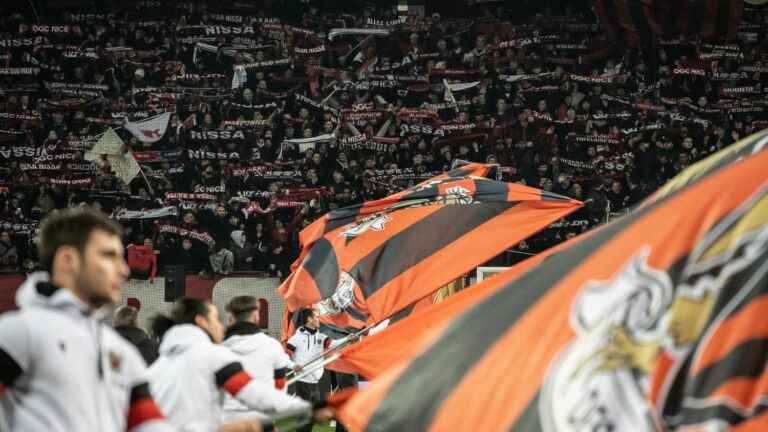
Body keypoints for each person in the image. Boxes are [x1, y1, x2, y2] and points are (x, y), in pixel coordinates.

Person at [0, 208, 171, 431]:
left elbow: (150, 425)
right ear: (67, 260)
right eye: (109, 255)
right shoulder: (18, 333)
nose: (124, 269)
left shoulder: (118, 349)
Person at [147, 297, 330, 432]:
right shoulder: (212, 355)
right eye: (215, 318)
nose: (220, 325)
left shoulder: (157, 367)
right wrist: (308, 408)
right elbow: (252, 393)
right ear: (201, 322)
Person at [221, 296, 295, 422]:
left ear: (230, 318)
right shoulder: (272, 346)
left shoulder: (217, 349)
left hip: (228, 421)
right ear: (256, 316)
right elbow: (280, 386)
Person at [287, 308, 344, 432]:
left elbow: (334, 344)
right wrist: (292, 365)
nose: (319, 319)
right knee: (306, 414)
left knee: (314, 414)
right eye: (316, 317)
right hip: (302, 381)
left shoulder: (321, 337)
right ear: (309, 319)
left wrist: (348, 338)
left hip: (315, 382)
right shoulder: (296, 338)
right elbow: (285, 355)